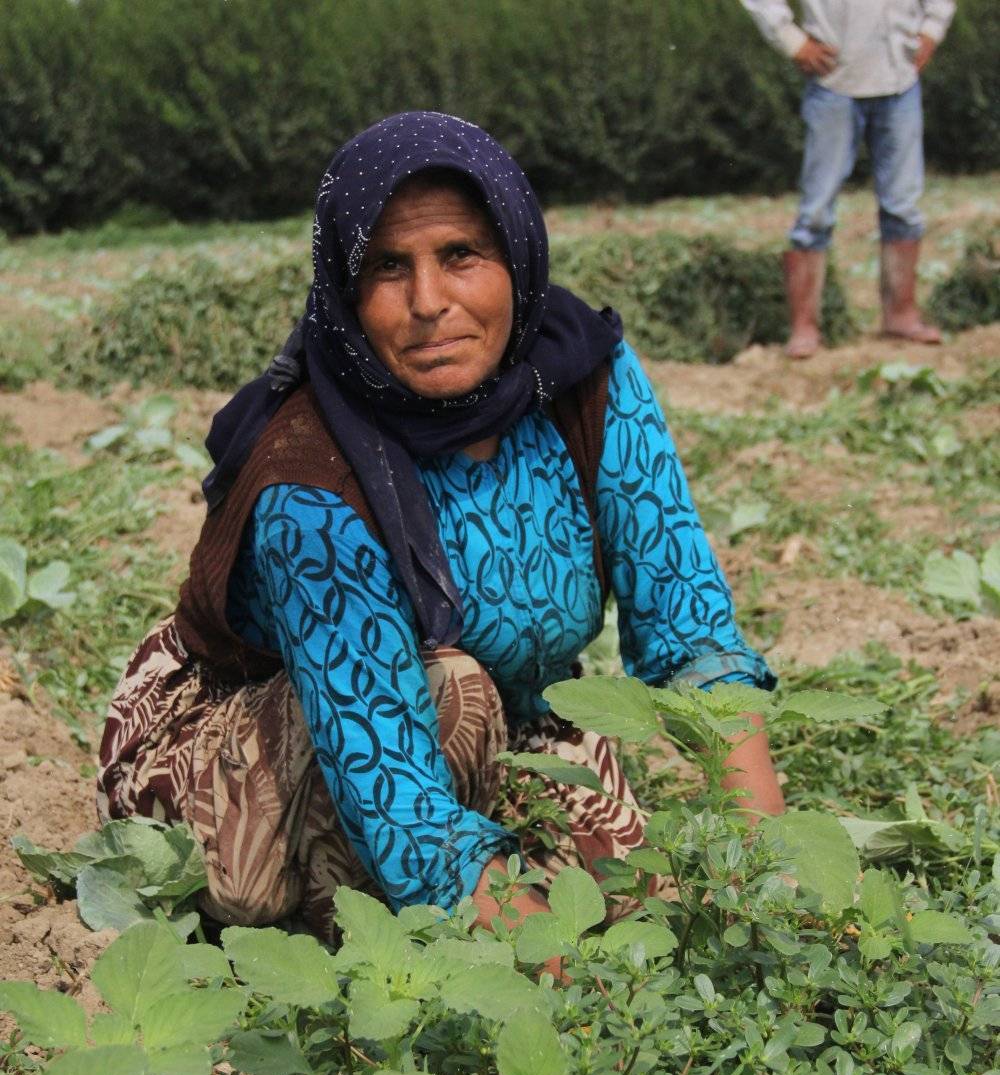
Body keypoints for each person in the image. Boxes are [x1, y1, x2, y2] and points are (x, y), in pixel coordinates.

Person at [97, 111, 784, 950]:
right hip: (252, 730)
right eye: (388, 266)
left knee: (640, 894)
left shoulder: (584, 377)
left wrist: (768, 878)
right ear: (345, 289)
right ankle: (331, 905)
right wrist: (579, 997)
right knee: (446, 701)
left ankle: (491, 852)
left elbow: (691, 629)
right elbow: (397, 795)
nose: (429, 302)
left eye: (461, 254)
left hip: (516, 720)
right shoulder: (309, 479)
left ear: (516, 256)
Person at [740, 1, 955, 357]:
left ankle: (901, 314)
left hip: (899, 78)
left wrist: (933, 28)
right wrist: (792, 40)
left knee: (903, 205)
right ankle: (804, 327)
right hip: (833, 82)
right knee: (816, 212)